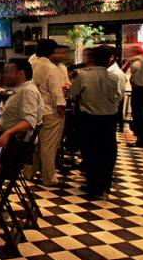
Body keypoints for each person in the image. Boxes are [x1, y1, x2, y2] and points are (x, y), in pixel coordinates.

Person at [71, 46, 122, 197]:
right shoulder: (114, 78)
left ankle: (94, 185)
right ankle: (105, 182)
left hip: (90, 119)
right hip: (109, 119)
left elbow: (73, 94)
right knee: (108, 152)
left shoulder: (84, 76)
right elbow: (118, 97)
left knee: (91, 151)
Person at [26, 39, 66, 187]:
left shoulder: (33, 64)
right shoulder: (51, 68)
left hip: (35, 110)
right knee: (49, 147)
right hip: (50, 111)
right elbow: (57, 94)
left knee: (35, 144)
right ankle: (49, 178)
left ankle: (28, 173)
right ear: (52, 52)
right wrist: (61, 112)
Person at [0, 60, 43, 147]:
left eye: (8, 72)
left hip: (16, 142)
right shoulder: (21, 89)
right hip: (8, 136)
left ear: (21, 74)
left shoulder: (27, 91)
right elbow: (12, 120)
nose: (5, 76)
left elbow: (29, 122)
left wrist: (7, 134)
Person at [106, 46, 127, 131]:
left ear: (112, 57)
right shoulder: (106, 71)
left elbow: (119, 96)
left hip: (108, 111)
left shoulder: (117, 74)